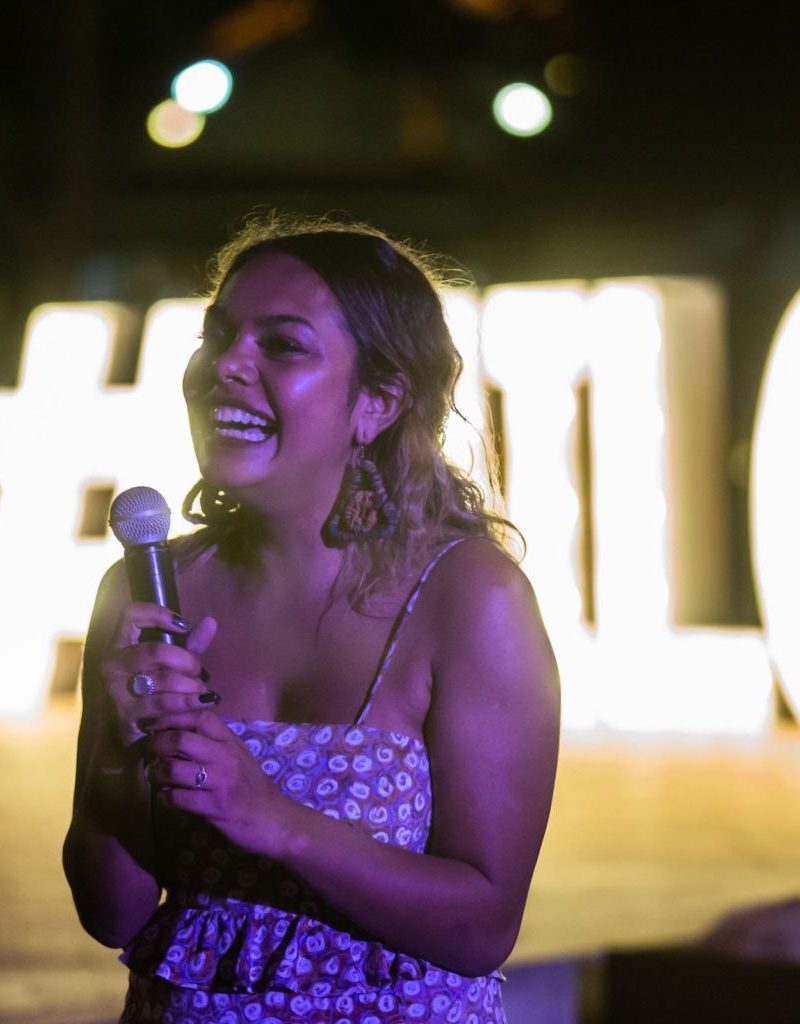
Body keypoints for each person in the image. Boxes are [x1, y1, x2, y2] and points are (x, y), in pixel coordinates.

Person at [63, 214, 561, 1024]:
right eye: (218, 335)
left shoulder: (469, 598)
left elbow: (482, 927)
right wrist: (121, 757)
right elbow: (111, 914)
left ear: (378, 400)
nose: (226, 365)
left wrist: (272, 819)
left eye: (282, 345)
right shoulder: (147, 591)